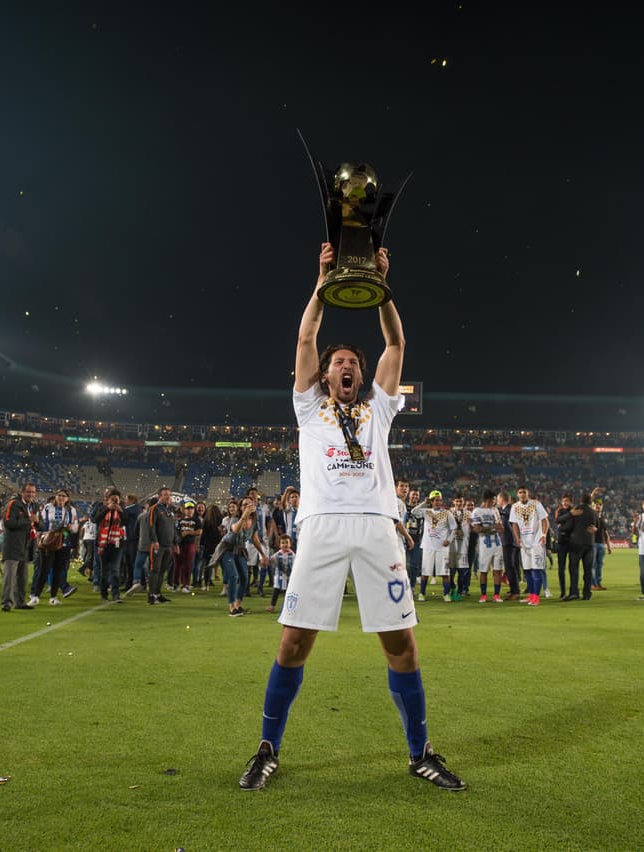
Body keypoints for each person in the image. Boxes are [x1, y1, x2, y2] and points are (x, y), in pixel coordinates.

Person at [238, 242, 465, 792]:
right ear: (323, 375)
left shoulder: (378, 411)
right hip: (320, 527)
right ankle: (267, 749)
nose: (346, 367)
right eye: (339, 363)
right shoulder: (308, 408)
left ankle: (420, 752)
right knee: (293, 642)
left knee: (401, 645)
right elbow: (305, 337)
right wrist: (322, 279)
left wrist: (382, 286)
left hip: (375, 528)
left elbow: (396, 341)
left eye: (352, 365)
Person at [33, 489, 79, 605]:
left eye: (64, 496)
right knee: (44, 569)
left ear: (67, 498)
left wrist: (71, 527)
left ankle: (53, 597)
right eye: (59, 495)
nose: (61, 498)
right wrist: (41, 535)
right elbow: (42, 523)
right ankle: (35, 596)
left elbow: (75, 527)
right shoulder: (48, 507)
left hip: (64, 542)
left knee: (59, 570)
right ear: (55, 496)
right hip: (49, 541)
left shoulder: (71, 510)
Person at [0, 483, 38, 611]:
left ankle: (20, 602)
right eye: (28, 492)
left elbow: (40, 524)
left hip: (26, 546)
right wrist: (29, 521)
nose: (31, 495)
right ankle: (6, 603)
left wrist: (37, 522)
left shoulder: (33, 506)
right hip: (13, 546)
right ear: (22, 492)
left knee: (23, 577)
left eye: (33, 492)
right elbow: (9, 522)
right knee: (10, 577)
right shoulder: (14, 504)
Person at [412, 490, 456, 601]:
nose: (438, 502)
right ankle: (422, 593)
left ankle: (446, 594)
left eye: (440, 500)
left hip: (442, 547)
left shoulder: (447, 513)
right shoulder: (426, 512)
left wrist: (449, 540)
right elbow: (413, 512)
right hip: (428, 546)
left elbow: (454, 528)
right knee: (425, 572)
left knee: (445, 572)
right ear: (431, 501)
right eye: (436, 500)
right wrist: (423, 502)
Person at [508, 486, 549, 605]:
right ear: (517, 494)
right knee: (527, 571)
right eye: (520, 492)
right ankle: (531, 595)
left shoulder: (536, 504)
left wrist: (544, 534)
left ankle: (536, 597)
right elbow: (514, 524)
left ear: (528, 493)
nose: (522, 494)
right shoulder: (515, 507)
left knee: (536, 570)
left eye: (524, 492)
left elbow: (545, 520)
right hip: (524, 543)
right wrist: (517, 538)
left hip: (537, 541)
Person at [470, 490, 504, 602]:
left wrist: (489, 528)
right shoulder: (477, 511)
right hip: (485, 545)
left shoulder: (495, 511)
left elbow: (501, 528)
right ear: (489, 499)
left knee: (497, 571)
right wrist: (492, 528)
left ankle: (496, 595)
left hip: (497, 544)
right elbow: (476, 529)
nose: (495, 502)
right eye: (494, 500)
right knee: (483, 571)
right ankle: (483, 595)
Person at [563, 493, 597, 601]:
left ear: (581, 501)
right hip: (589, 544)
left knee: (574, 569)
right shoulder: (593, 512)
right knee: (588, 570)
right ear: (589, 502)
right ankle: (587, 593)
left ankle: (574, 592)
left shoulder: (576, 510)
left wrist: (563, 530)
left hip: (576, 544)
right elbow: (598, 526)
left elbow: (568, 526)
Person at [147, 487, 177, 605]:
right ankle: (151, 595)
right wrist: (154, 541)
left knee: (162, 570)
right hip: (158, 545)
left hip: (168, 545)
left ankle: (158, 594)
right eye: (166, 495)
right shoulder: (154, 508)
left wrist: (175, 543)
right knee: (155, 570)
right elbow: (151, 525)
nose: (168, 497)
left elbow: (173, 528)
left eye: (169, 495)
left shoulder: (170, 509)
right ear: (160, 496)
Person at [175, 500, 202, 593]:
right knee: (177, 565)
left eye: (191, 508)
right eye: (188, 508)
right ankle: (176, 584)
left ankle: (185, 585)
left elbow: (199, 532)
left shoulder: (196, 520)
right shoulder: (179, 520)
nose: (190, 510)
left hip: (190, 544)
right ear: (184, 510)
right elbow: (175, 533)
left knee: (188, 565)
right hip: (179, 544)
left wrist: (187, 532)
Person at [267, 534, 296, 613]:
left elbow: (296, 565)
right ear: (280, 545)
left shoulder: (293, 555)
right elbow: (271, 561)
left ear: (290, 544)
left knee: (288, 592)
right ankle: (272, 606)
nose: (285, 544)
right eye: (283, 543)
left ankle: (287, 607)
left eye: (287, 542)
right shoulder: (277, 554)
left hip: (289, 577)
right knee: (276, 591)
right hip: (279, 576)